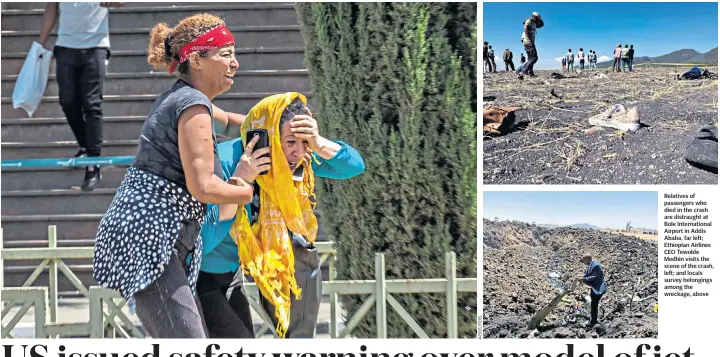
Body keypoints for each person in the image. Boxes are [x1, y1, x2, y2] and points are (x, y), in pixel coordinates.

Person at [92, 13, 255, 338]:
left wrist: (275, 119)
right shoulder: (192, 105)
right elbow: (204, 186)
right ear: (196, 58)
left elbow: (229, 120)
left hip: (153, 238)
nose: (235, 63)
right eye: (226, 54)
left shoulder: (186, 100)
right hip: (149, 240)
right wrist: (245, 188)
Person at [198, 94, 365, 339]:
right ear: (268, 137)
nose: (298, 152)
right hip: (198, 274)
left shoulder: (297, 160)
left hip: (231, 273)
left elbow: (355, 166)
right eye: (290, 142)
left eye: (304, 141)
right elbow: (202, 239)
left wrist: (317, 143)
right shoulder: (225, 162)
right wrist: (241, 181)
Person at [38, 2, 125, 190]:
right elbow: (51, 7)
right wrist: (41, 41)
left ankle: (93, 165)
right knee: (67, 101)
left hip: (96, 46)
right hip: (65, 45)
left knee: (92, 104)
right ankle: (86, 146)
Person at [578, 254, 607, 328]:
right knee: (593, 305)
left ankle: (594, 322)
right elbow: (587, 274)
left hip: (598, 288)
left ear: (587, 259)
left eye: (584, 260)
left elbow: (595, 277)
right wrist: (582, 277)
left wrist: (584, 279)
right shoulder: (590, 266)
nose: (583, 262)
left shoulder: (596, 265)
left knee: (594, 305)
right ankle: (593, 320)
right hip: (594, 288)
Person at [519, 12, 543, 80]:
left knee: (530, 58)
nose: (538, 20)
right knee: (534, 58)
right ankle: (522, 72)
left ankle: (530, 72)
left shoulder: (534, 24)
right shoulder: (529, 21)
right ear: (535, 17)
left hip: (529, 41)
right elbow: (525, 28)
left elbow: (541, 25)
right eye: (538, 19)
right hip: (528, 41)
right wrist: (529, 40)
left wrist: (539, 20)